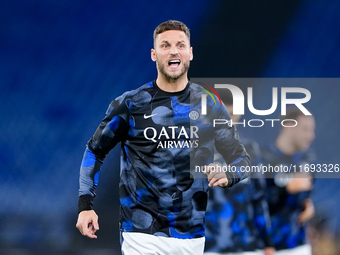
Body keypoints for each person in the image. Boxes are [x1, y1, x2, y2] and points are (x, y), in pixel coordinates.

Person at [76, 20, 250, 255]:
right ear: (154, 54)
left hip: (192, 237)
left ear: (190, 53)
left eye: (180, 45)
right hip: (141, 234)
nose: (173, 51)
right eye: (165, 45)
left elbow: (242, 160)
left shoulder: (209, 103)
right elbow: (95, 150)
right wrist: (85, 206)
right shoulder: (130, 104)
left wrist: (229, 173)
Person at [204, 89, 274, 255]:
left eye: (233, 114)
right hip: (206, 246)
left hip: (244, 244)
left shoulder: (250, 151)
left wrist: (267, 241)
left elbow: (258, 198)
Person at [261, 106, 316, 255]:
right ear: (289, 126)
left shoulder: (307, 159)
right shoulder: (264, 157)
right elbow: (253, 202)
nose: (310, 136)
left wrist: (308, 206)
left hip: (299, 244)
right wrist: (286, 189)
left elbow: (307, 194)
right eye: (305, 129)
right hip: (269, 246)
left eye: (312, 130)